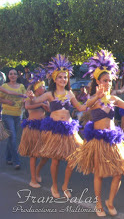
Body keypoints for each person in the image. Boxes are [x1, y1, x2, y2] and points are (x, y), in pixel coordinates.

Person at [68, 50, 124, 216]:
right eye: (104, 80)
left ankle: (110, 201)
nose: (108, 83)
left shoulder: (113, 99)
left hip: (112, 140)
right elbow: (84, 106)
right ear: (97, 81)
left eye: (110, 80)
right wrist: (97, 96)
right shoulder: (94, 99)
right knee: (99, 174)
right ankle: (98, 203)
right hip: (97, 141)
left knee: (119, 173)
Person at [27, 54, 86, 199]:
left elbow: (80, 107)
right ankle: (54, 185)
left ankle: (65, 185)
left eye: (65, 77)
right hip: (54, 129)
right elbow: (35, 100)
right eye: (60, 77)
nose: (63, 80)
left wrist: (95, 99)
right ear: (54, 79)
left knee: (73, 158)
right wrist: (31, 96)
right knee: (55, 159)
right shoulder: (49, 94)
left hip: (68, 129)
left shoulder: (70, 93)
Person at [18, 68, 49, 188]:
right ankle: (33, 179)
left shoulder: (45, 98)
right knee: (34, 154)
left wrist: (46, 106)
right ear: (36, 89)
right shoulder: (29, 96)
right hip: (32, 128)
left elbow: (50, 110)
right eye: (42, 87)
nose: (44, 89)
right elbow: (27, 107)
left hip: (43, 127)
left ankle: (37, 171)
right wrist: (39, 103)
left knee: (46, 155)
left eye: (44, 87)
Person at [1, 69, 27, 169]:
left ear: (17, 76)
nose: (12, 75)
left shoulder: (21, 86)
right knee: (13, 137)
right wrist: (7, 101)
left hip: (18, 114)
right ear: (8, 76)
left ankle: (8, 157)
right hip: (7, 114)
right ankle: (16, 161)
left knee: (12, 137)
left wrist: (26, 102)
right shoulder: (4, 86)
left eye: (14, 74)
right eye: (11, 74)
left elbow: (25, 98)